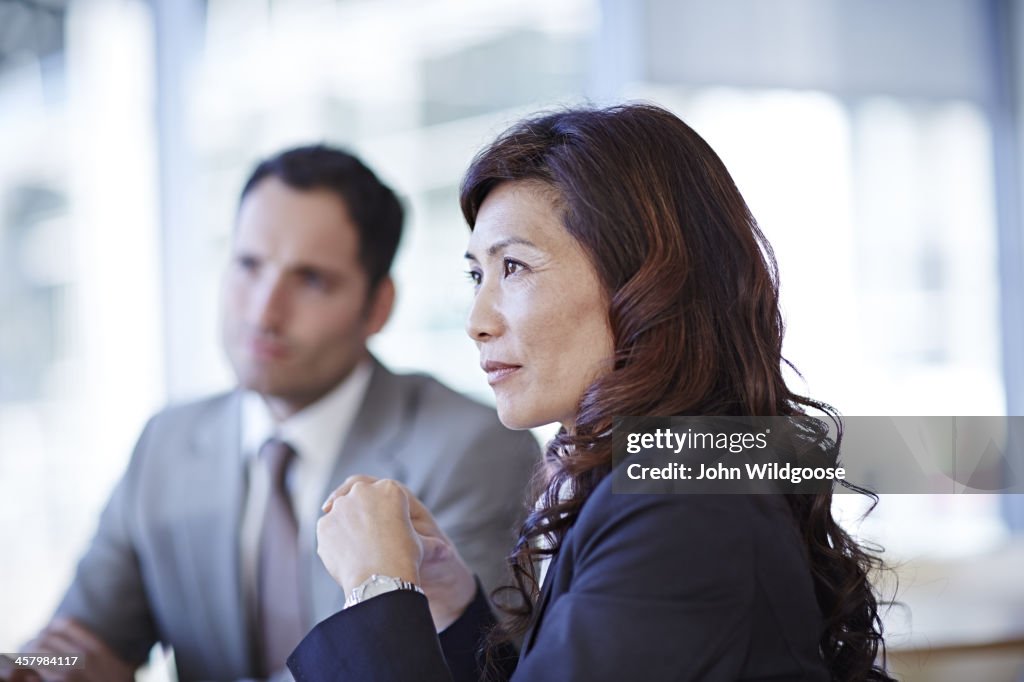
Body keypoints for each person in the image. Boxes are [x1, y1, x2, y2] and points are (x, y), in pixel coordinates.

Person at [287, 105, 895, 681]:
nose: (477, 318)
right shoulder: (676, 466)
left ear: (644, 281)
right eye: (477, 275)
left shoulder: (681, 503)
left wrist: (379, 589)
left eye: (514, 268)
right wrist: (446, 600)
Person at [17, 145, 539, 682]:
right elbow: (77, 642)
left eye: (311, 280)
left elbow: (433, 670)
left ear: (378, 307)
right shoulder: (166, 444)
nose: (263, 312)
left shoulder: (474, 446)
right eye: (248, 265)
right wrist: (28, 665)